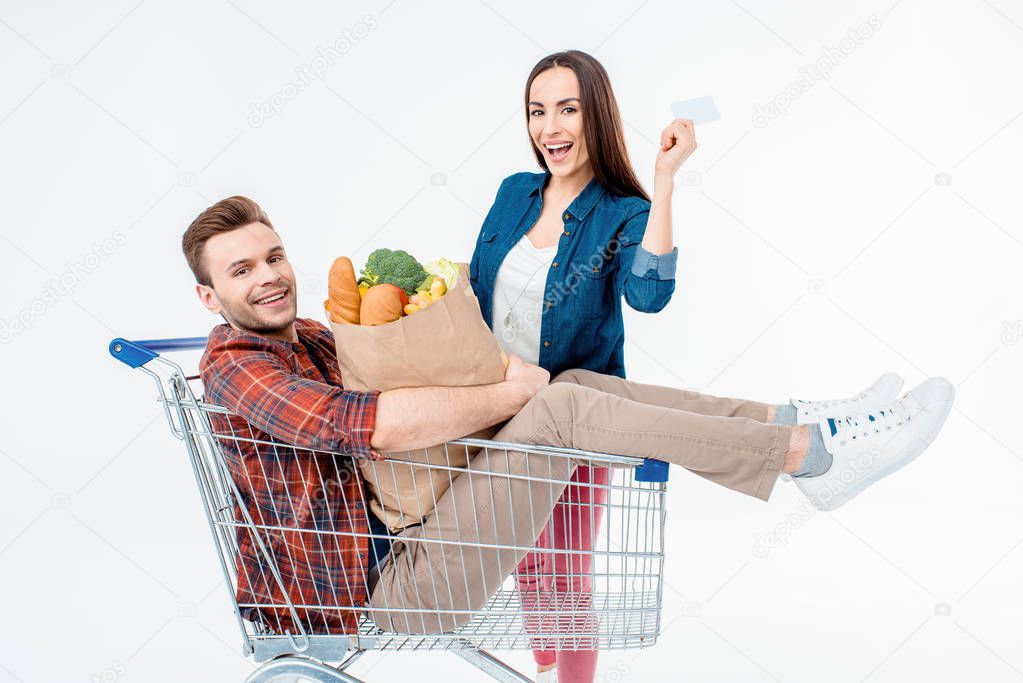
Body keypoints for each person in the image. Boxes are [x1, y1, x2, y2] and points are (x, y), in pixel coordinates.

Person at [184, 196, 954, 644]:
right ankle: (806, 456)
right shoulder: (234, 364)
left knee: (578, 380)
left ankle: (794, 419)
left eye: (273, 256)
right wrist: (506, 395)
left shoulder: (318, 335)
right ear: (209, 297)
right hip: (377, 584)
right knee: (553, 402)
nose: (270, 277)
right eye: (241, 270)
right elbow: (369, 428)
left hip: (419, 529)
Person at [469, 49, 693, 682]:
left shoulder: (623, 213)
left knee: (563, 566)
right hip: (499, 408)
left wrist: (667, 180)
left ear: (596, 115)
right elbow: (479, 287)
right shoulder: (514, 193)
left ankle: (565, 676)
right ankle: (545, 669)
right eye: (538, 112)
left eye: (568, 109)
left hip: (575, 419)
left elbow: (649, 295)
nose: (551, 128)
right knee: (523, 561)